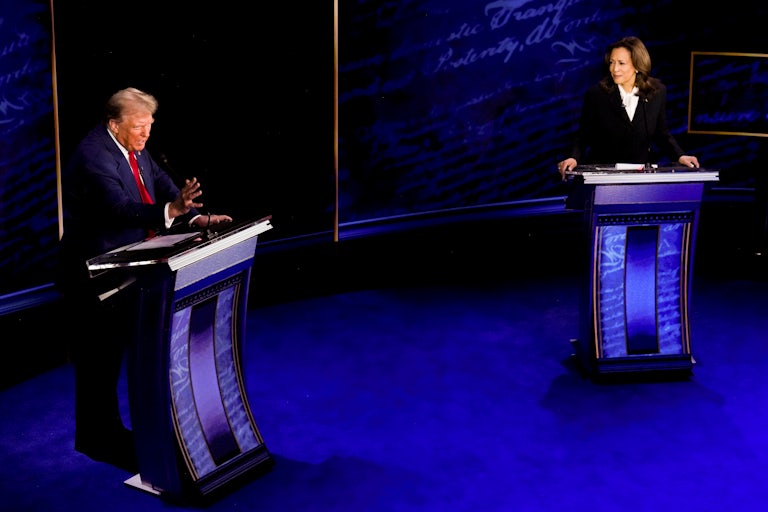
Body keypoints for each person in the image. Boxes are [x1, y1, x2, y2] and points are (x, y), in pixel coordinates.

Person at [56, 87, 232, 472]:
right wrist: (170, 209)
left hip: (129, 269)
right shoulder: (92, 155)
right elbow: (119, 209)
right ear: (114, 124)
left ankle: (109, 434)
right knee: (99, 363)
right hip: (93, 277)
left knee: (116, 355)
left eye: (150, 126)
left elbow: (164, 187)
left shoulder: (133, 148)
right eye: (139, 127)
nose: (146, 135)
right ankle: (97, 440)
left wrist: (195, 218)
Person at [558, 36, 699, 178]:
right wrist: (573, 157)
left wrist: (680, 156)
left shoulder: (657, 92)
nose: (614, 69)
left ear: (637, 65)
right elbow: (583, 135)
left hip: (639, 176)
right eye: (611, 62)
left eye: (621, 63)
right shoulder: (597, 94)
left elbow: (662, 133)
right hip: (603, 176)